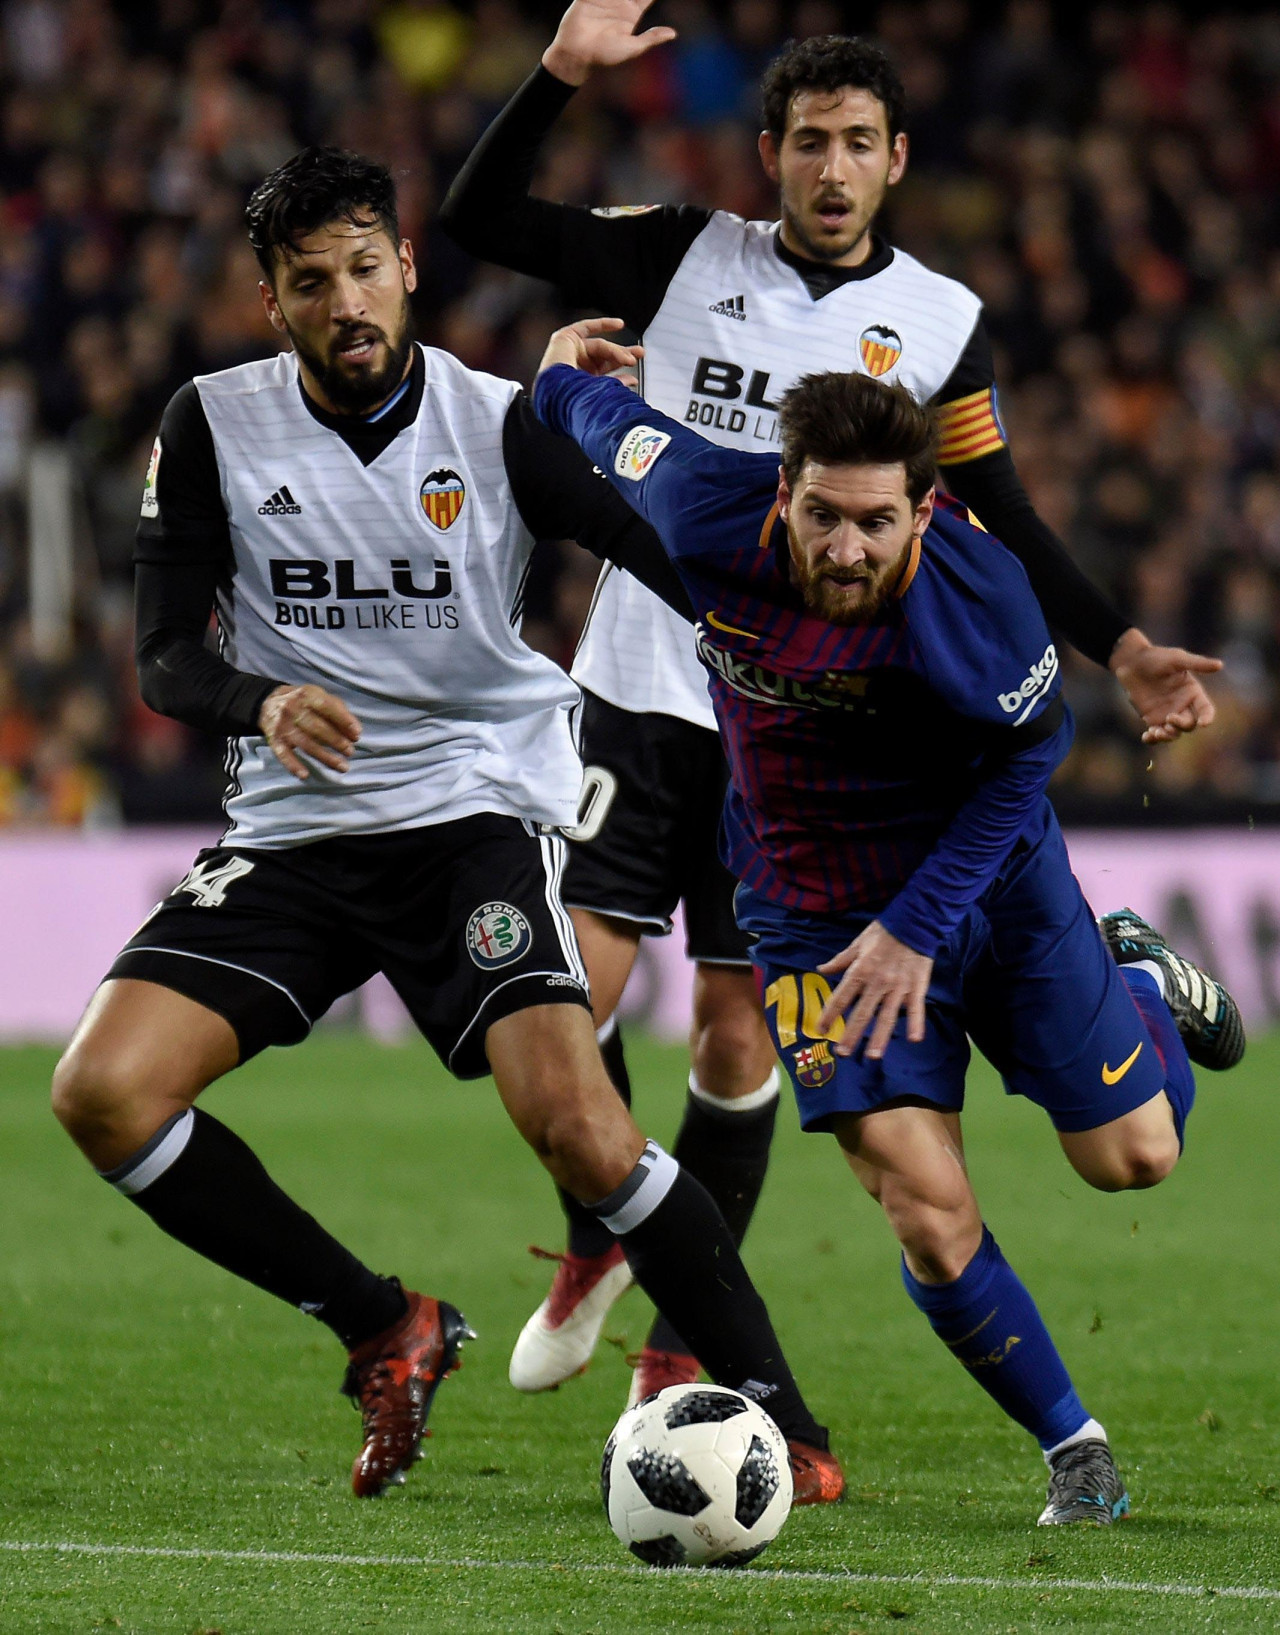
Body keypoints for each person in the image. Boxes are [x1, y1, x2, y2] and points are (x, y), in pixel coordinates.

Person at [439, 5, 1223, 1407]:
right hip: (643, 681)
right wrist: (563, 72)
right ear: (771, 155)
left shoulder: (938, 325)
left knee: (739, 1035)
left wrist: (1124, 643)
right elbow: (477, 212)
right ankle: (599, 1239)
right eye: (809, 141)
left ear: (898, 159)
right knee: (565, 1006)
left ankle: (685, 1341)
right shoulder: (681, 252)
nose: (833, 167)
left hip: (807, 729)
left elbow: (999, 510)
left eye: (860, 142)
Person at [49, 147, 844, 1506]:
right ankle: (382, 1323)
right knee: (102, 1093)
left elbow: (651, 540)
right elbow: (164, 660)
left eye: (366, 268)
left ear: (406, 269)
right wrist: (260, 694)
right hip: (296, 830)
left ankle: (781, 1408)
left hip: (474, 810)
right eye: (313, 282)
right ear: (272, 301)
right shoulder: (209, 425)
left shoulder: (499, 422)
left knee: (584, 1135)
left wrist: (774, 623)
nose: (346, 300)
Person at [531, 315, 1245, 1523]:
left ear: (923, 512)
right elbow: (597, 422)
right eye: (822, 516)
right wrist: (557, 376)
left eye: (875, 521)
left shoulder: (980, 596)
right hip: (808, 913)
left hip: (988, 884)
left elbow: (1028, 763)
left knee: (1134, 1158)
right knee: (920, 1201)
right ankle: (1074, 1446)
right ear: (783, 493)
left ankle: (1137, 977)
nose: (846, 547)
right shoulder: (706, 509)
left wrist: (915, 926)